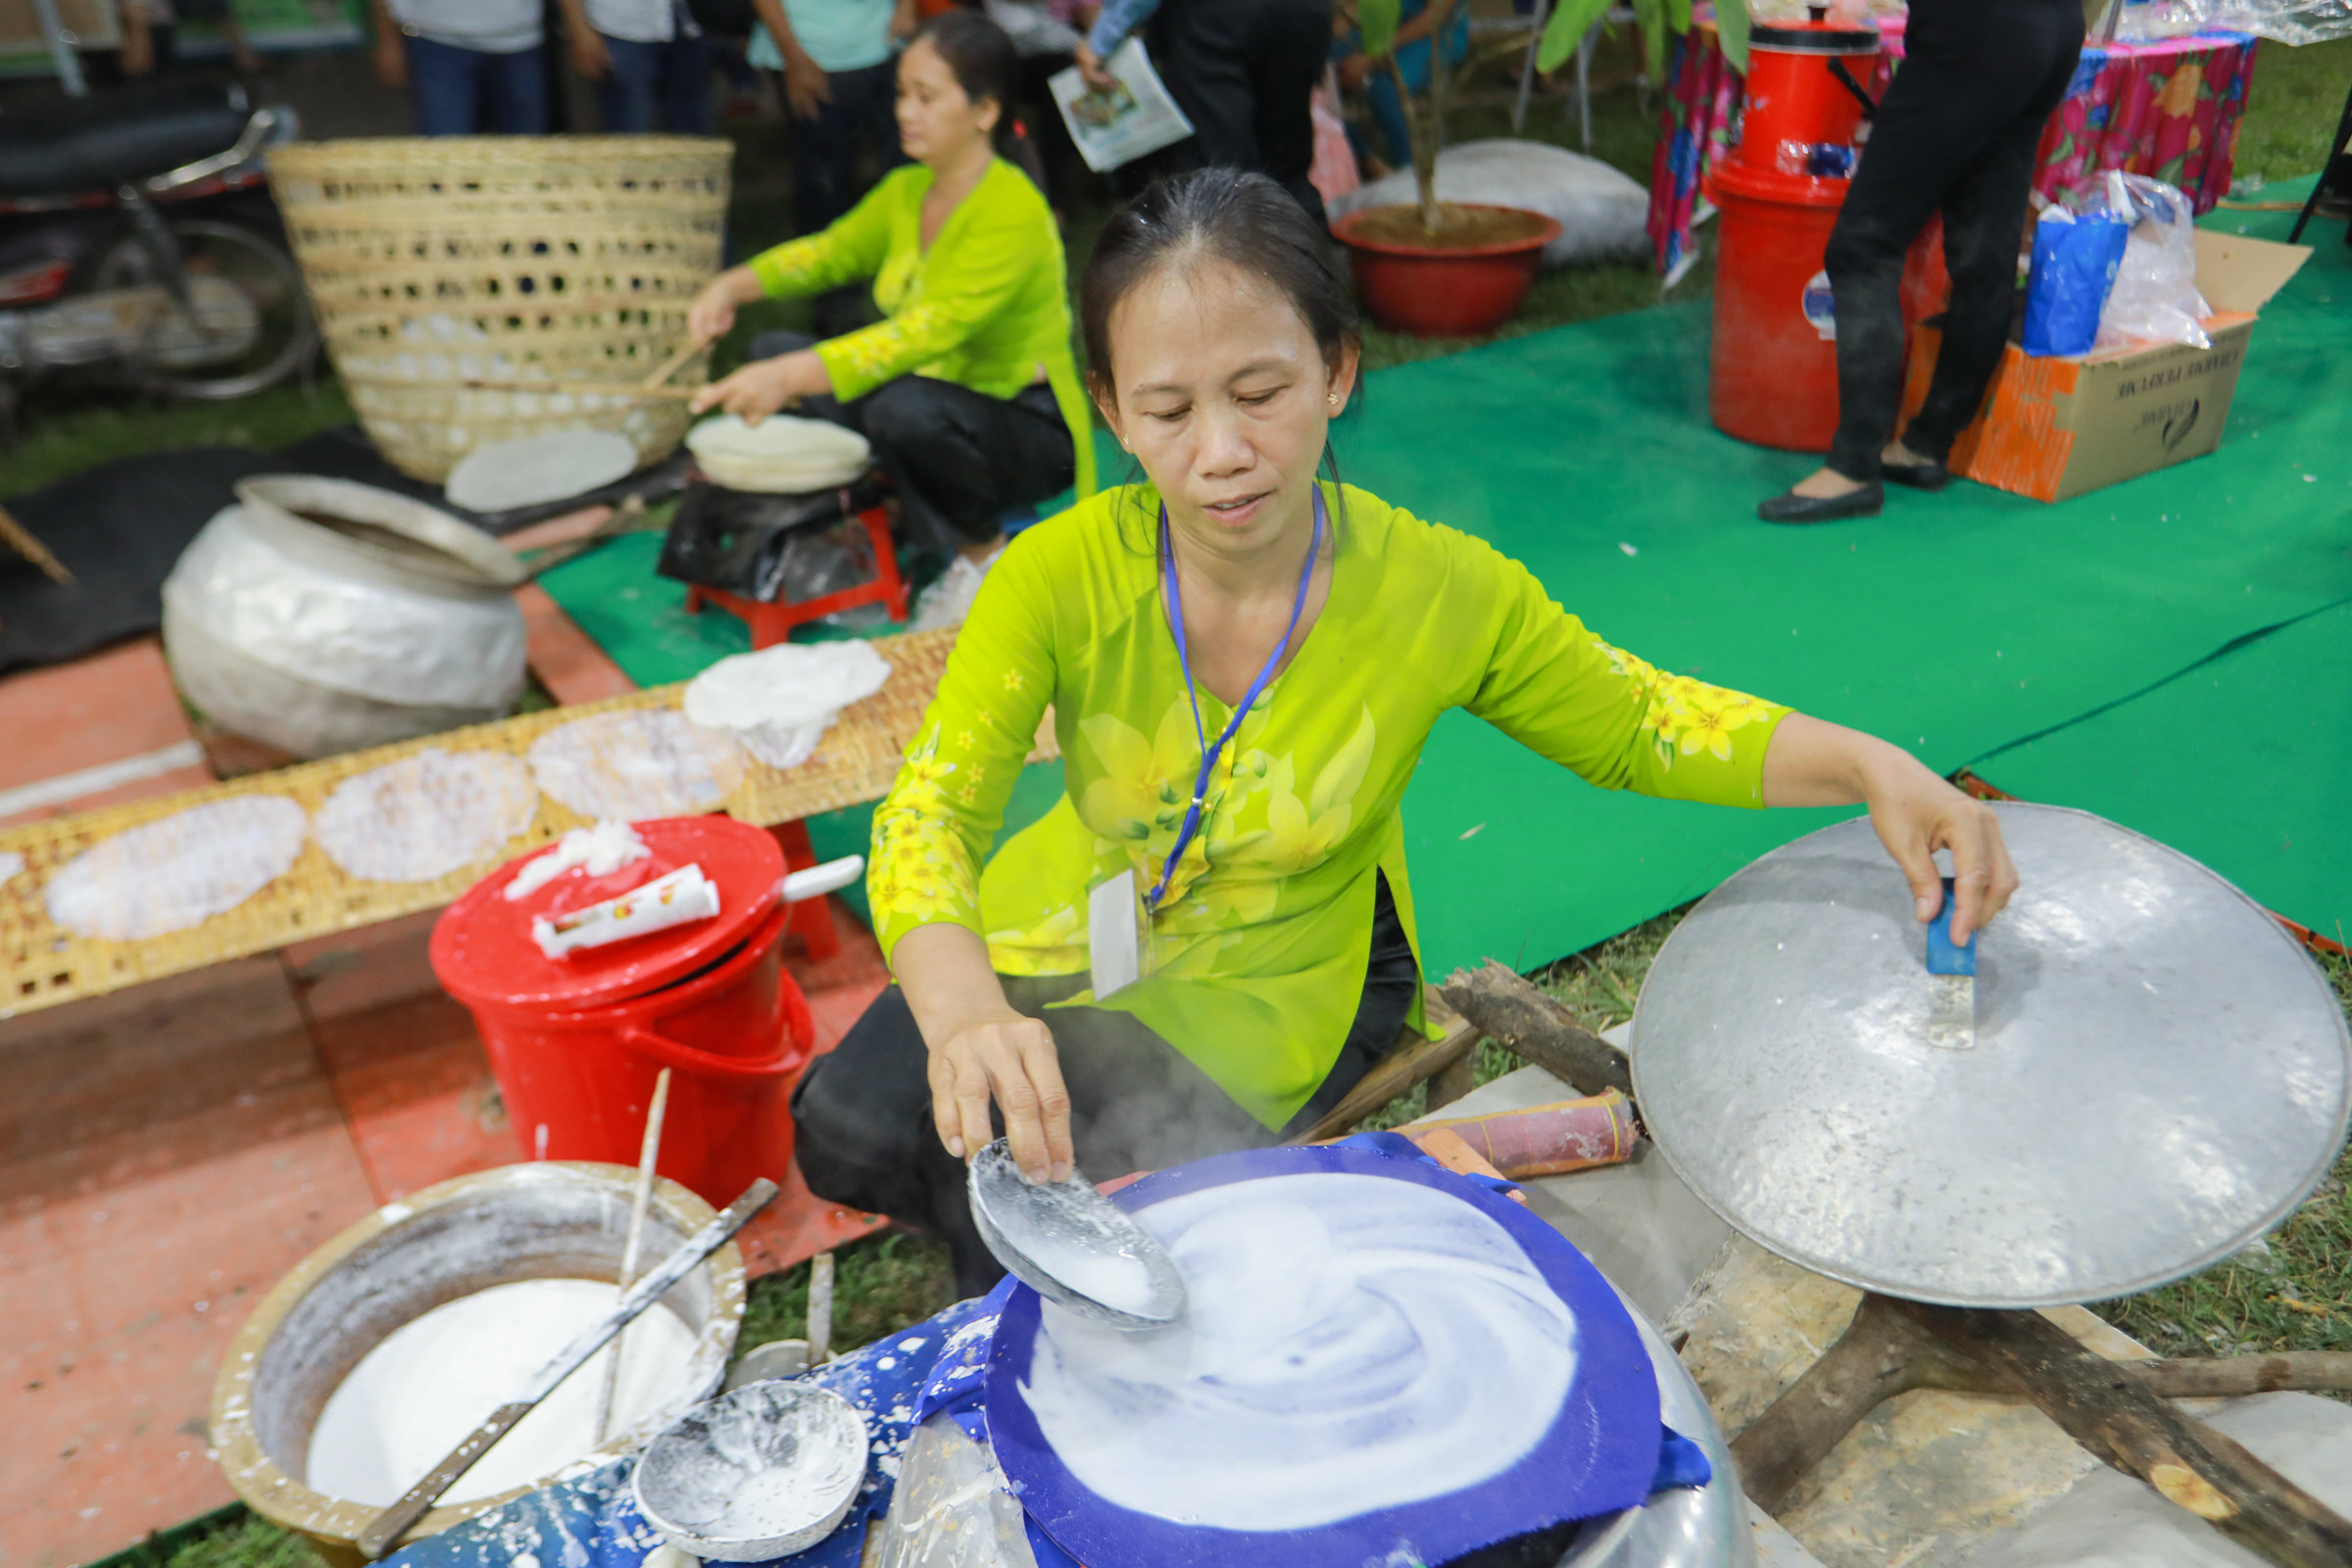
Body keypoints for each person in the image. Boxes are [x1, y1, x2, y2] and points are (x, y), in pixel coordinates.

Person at [790, 168, 2022, 1295]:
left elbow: (1638, 722)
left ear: (1337, 368)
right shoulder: (1055, 576)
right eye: (1167, 411)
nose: (1221, 454)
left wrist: (1870, 765)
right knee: (844, 1128)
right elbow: (930, 812)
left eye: (1260, 392)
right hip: (1058, 919)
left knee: (1069, 1213)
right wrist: (962, 1011)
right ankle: (994, 1254)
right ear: (1112, 409)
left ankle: (1006, 1288)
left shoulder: (1437, 589)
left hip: (1265, 987)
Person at [687, 11, 1095, 569]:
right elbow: (827, 253)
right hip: (937, 398)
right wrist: (731, 287)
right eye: (902, 93)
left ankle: (982, 558)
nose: (905, 112)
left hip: (1027, 429)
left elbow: (921, 334)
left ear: (984, 111)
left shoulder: (1013, 210)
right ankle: (886, 514)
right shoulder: (908, 189)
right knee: (772, 352)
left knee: (896, 405)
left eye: (926, 97)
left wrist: (789, 378)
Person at [1758, 0, 2084, 523]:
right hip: (2053, 25)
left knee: (1863, 247)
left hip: (1974, 32)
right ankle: (1925, 445)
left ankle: (1853, 466)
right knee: (1984, 253)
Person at [1074, 0, 1333, 221]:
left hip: (1218, 17)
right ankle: (1311, 272)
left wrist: (1103, 37)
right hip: (1302, 12)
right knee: (1286, 162)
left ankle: (1231, 271)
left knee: (1220, 178)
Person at [749, 0, 916, 279]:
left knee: (908, 169)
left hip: (886, 42)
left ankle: (909, 266)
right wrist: (795, 59)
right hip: (814, 53)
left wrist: (906, 9)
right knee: (825, 183)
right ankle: (830, 293)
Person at [369, 0, 550, 134]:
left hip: (521, 38)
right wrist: (388, 37)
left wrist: (577, 32)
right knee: (446, 152)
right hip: (435, 37)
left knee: (525, 151)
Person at [557, 0, 716, 133]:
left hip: (688, 24)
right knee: (632, 136)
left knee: (695, 135)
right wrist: (579, 30)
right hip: (621, 29)